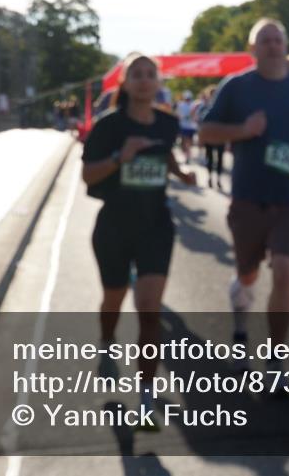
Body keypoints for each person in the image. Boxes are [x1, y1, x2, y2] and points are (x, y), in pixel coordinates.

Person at [199, 18, 289, 382]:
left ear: (286, 46)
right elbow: (206, 131)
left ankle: (275, 361)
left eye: (278, 39)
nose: (273, 46)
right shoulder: (236, 88)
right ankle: (240, 331)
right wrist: (242, 130)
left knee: (284, 273)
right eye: (265, 40)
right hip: (248, 197)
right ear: (252, 49)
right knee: (247, 274)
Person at [81, 53, 196, 431]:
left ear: (157, 82)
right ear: (125, 84)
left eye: (151, 74)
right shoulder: (108, 126)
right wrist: (120, 156)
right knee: (113, 298)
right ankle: (107, 340)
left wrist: (183, 173)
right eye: (137, 75)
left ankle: (146, 397)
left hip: (155, 226)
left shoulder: (168, 123)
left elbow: (164, 158)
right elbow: (88, 176)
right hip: (114, 225)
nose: (145, 80)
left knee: (149, 310)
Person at [197, 85, 226, 189]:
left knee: (219, 160)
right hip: (209, 138)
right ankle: (210, 178)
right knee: (210, 158)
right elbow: (200, 122)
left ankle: (218, 179)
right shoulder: (204, 107)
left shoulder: (224, 108)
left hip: (221, 138)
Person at [176, 90, 196, 163]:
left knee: (189, 143)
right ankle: (187, 155)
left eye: (189, 98)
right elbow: (178, 115)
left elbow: (195, 116)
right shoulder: (180, 105)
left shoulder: (193, 105)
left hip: (191, 127)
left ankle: (188, 155)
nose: (188, 99)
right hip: (183, 126)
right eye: (187, 98)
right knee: (184, 143)